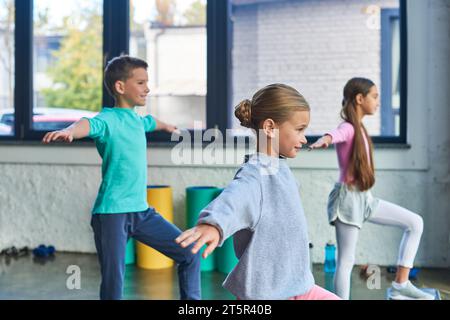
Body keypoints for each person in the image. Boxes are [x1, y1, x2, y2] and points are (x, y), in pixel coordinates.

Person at [42, 55, 201, 300]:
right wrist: (69, 131)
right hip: (111, 213)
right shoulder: (108, 120)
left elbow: (152, 122)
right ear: (120, 86)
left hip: (142, 212)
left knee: (189, 253)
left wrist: (168, 126)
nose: (147, 88)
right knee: (114, 283)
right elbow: (87, 123)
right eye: (140, 82)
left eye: (147, 82)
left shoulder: (138, 121)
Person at [176, 84, 340, 300]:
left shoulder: (280, 168)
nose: (304, 138)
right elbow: (234, 197)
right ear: (271, 128)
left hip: (298, 286)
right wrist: (213, 225)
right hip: (267, 294)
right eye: (299, 129)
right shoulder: (256, 173)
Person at [309, 77, 433, 300]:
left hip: (365, 199)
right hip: (348, 200)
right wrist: (325, 139)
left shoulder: (361, 129)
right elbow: (337, 134)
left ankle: (401, 284)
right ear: (359, 98)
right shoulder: (348, 127)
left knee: (415, 223)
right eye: (374, 97)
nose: (377, 102)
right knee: (346, 261)